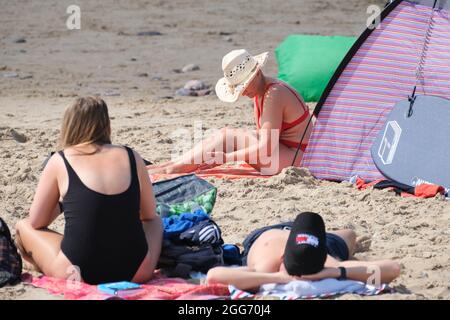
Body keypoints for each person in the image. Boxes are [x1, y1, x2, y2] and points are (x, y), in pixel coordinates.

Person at [15, 96, 163, 284]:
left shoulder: (61, 160)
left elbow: (37, 222)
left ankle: (40, 264)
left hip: (76, 273)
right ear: (106, 124)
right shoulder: (132, 156)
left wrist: (64, 203)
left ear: (69, 125)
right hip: (136, 272)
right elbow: (149, 215)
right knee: (156, 222)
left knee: (23, 226)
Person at [147, 49, 313, 175]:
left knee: (227, 136)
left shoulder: (274, 94)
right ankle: (171, 165)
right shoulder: (263, 91)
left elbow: (266, 148)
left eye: (243, 85)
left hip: (298, 159)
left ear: (256, 74)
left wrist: (225, 158)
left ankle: (173, 167)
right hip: (288, 152)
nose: (242, 92)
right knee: (226, 135)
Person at [206, 212, 401, 292]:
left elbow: (393, 269)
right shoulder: (265, 267)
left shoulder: (328, 263)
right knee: (347, 238)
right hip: (267, 236)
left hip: (316, 241)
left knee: (350, 235)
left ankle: (336, 238)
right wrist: (281, 278)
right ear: (282, 258)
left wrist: (335, 271)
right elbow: (213, 277)